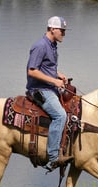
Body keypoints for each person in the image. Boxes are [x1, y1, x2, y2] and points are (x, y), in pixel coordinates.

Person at [26, 16, 74, 169]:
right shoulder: (40, 46)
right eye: (62, 30)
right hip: (39, 90)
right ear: (52, 29)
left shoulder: (52, 45)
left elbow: (47, 67)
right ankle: (53, 157)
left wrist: (58, 74)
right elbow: (32, 71)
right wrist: (54, 81)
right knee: (60, 115)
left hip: (49, 87)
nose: (64, 34)